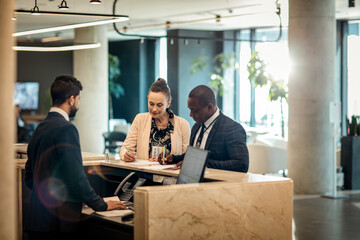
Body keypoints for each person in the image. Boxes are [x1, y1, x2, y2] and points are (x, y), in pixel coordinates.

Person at [25, 75, 126, 240]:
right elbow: (75, 177)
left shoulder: (39, 128)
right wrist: (101, 204)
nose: (78, 104)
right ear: (71, 99)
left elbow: (29, 177)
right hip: (58, 223)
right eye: (78, 99)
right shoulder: (66, 129)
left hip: (36, 221)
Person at [159, 85, 249, 172]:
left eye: (194, 110)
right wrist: (173, 158)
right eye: (190, 109)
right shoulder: (196, 126)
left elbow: (241, 164)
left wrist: (201, 164)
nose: (190, 114)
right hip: (191, 182)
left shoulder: (231, 128)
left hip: (216, 185)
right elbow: (194, 157)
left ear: (209, 107)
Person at [119, 78, 190, 162]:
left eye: (159, 105)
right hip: (144, 173)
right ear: (147, 99)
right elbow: (124, 148)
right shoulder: (140, 119)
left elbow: (188, 157)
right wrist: (126, 154)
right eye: (151, 104)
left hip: (170, 174)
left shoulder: (183, 124)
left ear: (168, 103)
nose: (154, 109)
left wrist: (169, 160)